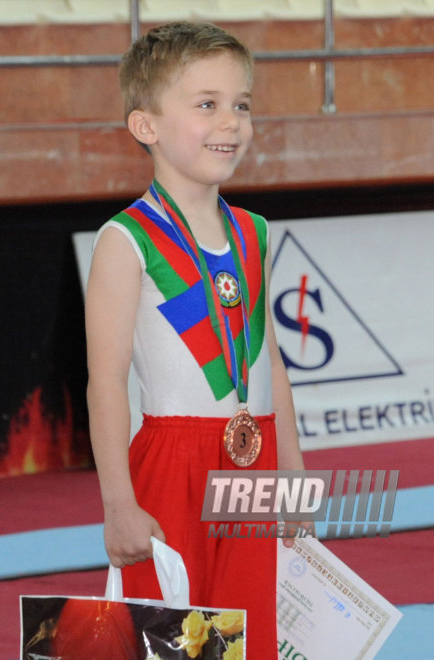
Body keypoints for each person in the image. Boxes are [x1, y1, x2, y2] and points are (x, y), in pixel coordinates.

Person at [85, 21, 305, 658]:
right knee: (173, 640)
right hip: (171, 465)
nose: (230, 123)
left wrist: (292, 474)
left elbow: (271, 363)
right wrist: (118, 504)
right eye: (206, 105)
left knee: (251, 635)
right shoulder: (127, 241)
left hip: (254, 456)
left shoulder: (254, 232)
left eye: (242, 105)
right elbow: (104, 383)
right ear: (145, 126)